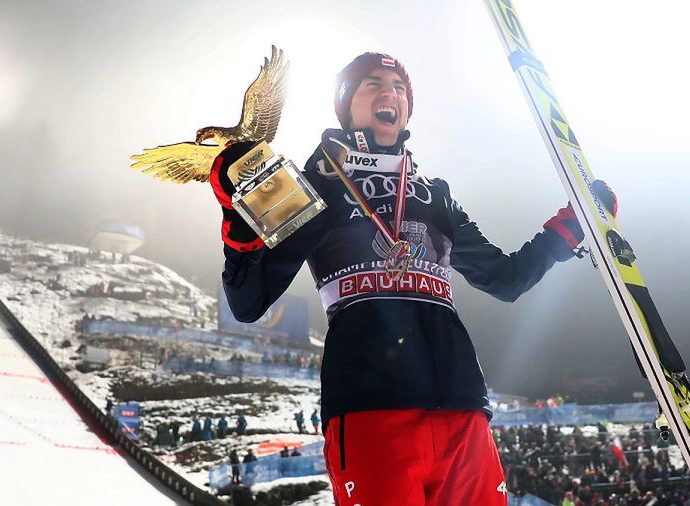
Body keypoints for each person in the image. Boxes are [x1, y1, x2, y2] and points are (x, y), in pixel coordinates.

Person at [212, 52, 615, 506]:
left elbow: (507, 279)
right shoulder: (314, 186)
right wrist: (237, 217)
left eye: (399, 87)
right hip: (371, 410)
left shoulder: (435, 194)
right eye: (373, 83)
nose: (390, 93)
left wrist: (569, 228)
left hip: (462, 409)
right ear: (345, 104)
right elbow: (247, 301)